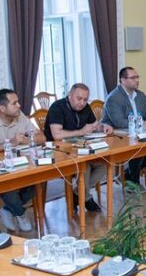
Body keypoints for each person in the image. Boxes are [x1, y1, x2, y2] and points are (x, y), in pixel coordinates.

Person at [0, 89, 45, 231]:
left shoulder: (21, 118)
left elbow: (42, 138)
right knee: (9, 183)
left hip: (22, 163)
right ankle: (20, 212)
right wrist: (11, 143)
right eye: (14, 103)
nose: (19, 105)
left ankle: (8, 210)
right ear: (2, 108)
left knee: (42, 175)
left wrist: (27, 140)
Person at [44, 83, 114, 212]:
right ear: (70, 96)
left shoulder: (85, 108)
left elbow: (94, 125)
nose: (82, 103)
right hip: (59, 151)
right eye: (79, 98)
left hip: (81, 148)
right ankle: (86, 198)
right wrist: (81, 131)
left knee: (106, 163)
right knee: (84, 167)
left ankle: (77, 193)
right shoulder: (57, 107)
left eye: (85, 99)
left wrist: (103, 127)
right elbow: (57, 135)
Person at [101, 67, 146, 188]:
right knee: (138, 148)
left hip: (137, 132)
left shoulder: (140, 95)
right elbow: (119, 122)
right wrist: (144, 123)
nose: (137, 80)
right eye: (133, 78)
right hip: (117, 134)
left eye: (137, 77)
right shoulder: (114, 98)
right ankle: (133, 182)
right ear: (122, 80)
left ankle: (127, 174)